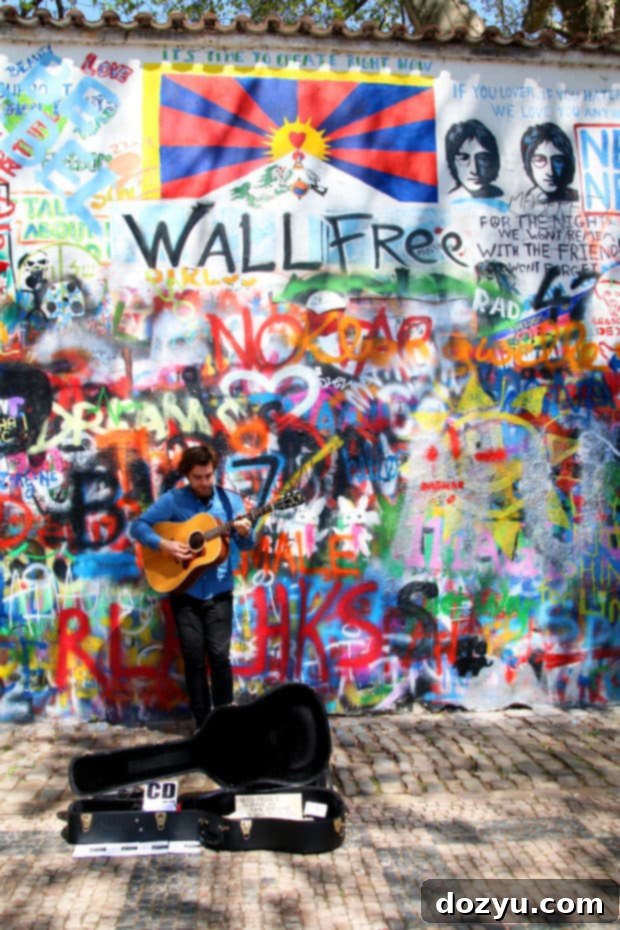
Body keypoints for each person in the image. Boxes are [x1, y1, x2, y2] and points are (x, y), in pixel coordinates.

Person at [130, 444, 254, 728]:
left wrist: (246, 532)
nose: (204, 482)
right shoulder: (174, 501)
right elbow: (138, 526)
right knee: (194, 660)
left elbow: (247, 543)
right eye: (197, 477)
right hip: (185, 593)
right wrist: (164, 544)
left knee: (220, 658)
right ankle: (202, 724)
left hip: (220, 592)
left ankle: (225, 724)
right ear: (187, 475)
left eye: (208, 476)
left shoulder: (230, 503)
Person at [520, 122, 579, 204]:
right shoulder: (522, 203)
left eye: (558, 161)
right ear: (528, 165)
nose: (550, 172)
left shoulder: (577, 198)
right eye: (540, 160)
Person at [445, 119, 503, 199]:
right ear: (452, 162)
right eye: (464, 158)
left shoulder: (501, 197)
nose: (474, 170)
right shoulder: (451, 200)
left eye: (482, 159)